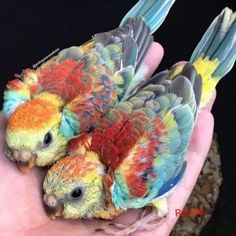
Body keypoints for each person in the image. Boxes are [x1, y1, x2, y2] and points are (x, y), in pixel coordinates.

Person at [0, 42, 215, 236]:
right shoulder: (84, 143)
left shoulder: (127, 190)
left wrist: (144, 221)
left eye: (77, 194)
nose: (53, 204)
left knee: (160, 208)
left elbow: (174, 177)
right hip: (156, 103)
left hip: (171, 109)